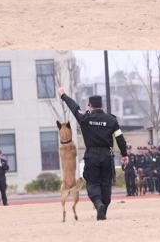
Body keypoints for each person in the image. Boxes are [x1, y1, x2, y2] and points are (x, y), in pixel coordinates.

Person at [58, 87, 128, 221]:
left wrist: (63, 95)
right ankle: (103, 209)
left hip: (92, 155)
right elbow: (120, 138)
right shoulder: (111, 120)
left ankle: (98, 204)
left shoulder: (85, 118)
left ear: (90, 105)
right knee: (105, 183)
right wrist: (124, 154)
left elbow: (73, 107)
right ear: (101, 105)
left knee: (92, 183)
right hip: (107, 155)